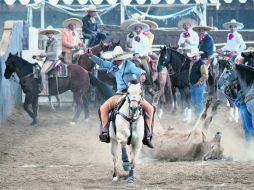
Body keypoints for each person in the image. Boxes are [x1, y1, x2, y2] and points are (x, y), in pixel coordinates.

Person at [86, 46, 155, 148]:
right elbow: (101, 63)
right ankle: (104, 131)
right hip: (119, 94)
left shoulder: (129, 65)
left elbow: (137, 70)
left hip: (132, 93)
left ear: (121, 58)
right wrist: (91, 56)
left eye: (118, 58)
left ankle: (147, 136)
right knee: (103, 108)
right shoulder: (112, 65)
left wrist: (142, 74)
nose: (116, 60)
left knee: (150, 109)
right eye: (115, 58)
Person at [126, 22, 153, 87]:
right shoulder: (134, 38)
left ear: (141, 29)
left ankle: (149, 84)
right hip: (134, 56)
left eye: (138, 29)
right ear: (135, 30)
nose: (137, 30)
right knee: (126, 64)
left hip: (142, 57)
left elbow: (146, 49)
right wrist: (129, 49)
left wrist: (139, 54)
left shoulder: (145, 38)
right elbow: (133, 48)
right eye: (136, 29)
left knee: (147, 69)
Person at [38, 26, 60, 96]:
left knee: (42, 72)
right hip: (48, 59)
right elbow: (47, 51)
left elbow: (55, 53)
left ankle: (45, 91)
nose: (48, 34)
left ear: (53, 33)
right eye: (47, 33)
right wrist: (42, 55)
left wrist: (45, 54)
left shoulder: (55, 41)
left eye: (50, 33)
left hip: (52, 60)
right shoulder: (48, 41)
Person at [188, 47, 209, 115]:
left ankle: (200, 116)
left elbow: (205, 75)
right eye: (193, 56)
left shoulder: (202, 64)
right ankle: (196, 115)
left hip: (198, 85)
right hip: (192, 84)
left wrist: (199, 82)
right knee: (194, 101)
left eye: (195, 56)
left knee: (199, 102)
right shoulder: (192, 63)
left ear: (199, 56)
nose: (193, 57)